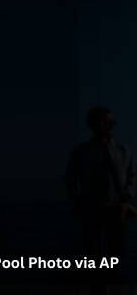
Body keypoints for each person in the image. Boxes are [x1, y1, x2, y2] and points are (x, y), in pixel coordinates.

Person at [66, 107, 137, 266]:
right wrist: (79, 200)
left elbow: (131, 177)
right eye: (104, 121)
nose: (109, 125)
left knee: (116, 251)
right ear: (93, 124)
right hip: (91, 207)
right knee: (93, 252)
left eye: (110, 122)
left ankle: (111, 279)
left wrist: (125, 200)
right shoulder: (81, 152)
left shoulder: (123, 150)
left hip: (116, 208)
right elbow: (71, 179)